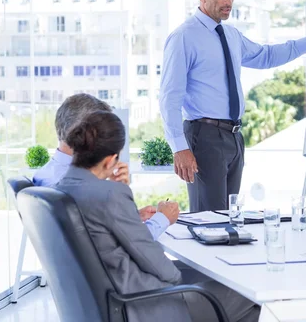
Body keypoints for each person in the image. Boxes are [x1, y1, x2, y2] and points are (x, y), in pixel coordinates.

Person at [160, 0, 306, 212]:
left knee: (229, 215)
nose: (228, 1)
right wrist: (179, 148)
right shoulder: (183, 37)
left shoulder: (231, 35)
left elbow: (265, 56)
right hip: (204, 136)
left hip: (234, 137)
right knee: (209, 220)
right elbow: (169, 97)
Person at [56, 111, 259, 322]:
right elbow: (165, 271)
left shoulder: (61, 190)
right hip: (145, 306)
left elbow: (99, 235)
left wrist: (129, 213)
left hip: (105, 301)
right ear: (109, 161)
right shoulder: (109, 195)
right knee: (251, 291)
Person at [33, 93, 178, 241]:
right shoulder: (75, 188)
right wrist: (163, 219)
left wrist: (133, 215)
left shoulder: (45, 175)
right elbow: (131, 243)